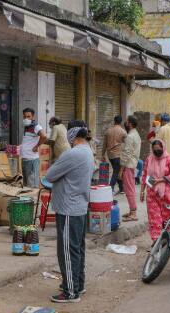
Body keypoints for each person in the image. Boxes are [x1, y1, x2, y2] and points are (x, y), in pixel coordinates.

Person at [45, 120, 94, 303]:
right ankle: (78, 284)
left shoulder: (73, 154)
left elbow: (50, 175)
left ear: (72, 134)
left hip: (68, 207)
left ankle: (70, 291)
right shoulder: (88, 151)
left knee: (66, 250)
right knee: (77, 249)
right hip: (79, 206)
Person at [140, 140, 170, 241]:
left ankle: (167, 241)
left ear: (163, 148)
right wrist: (142, 191)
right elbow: (144, 175)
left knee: (166, 219)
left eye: (159, 149)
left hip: (166, 193)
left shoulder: (169, 159)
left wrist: (161, 179)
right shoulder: (149, 159)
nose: (157, 151)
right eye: (155, 150)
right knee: (154, 220)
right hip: (151, 193)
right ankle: (156, 242)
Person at [119, 115, 141, 222]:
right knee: (130, 188)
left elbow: (126, 154)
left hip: (128, 165)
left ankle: (133, 213)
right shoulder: (136, 134)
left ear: (130, 124)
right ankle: (132, 210)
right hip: (132, 164)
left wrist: (121, 169)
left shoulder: (130, 136)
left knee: (129, 189)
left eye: (127, 122)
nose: (125, 123)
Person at [20, 108, 47, 188]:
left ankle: (34, 199)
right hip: (25, 159)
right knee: (27, 184)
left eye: (28, 116)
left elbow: (44, 136)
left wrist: (37, 146)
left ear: (33, 117)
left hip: (32, 160)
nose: (26, 119)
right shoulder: (27, 126)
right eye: (24, 117)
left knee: (32, 185)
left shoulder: (36, 126)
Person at [102, 115, 127, 194]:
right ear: (121, 122)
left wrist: (103, 154)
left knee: (118, 171)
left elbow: (104, 144)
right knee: (117, 171)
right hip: (118, 155)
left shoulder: (108, 131)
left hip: (110, 155)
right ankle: (111, 187)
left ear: (114, 121)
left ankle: (121, 188)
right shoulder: (123, 132)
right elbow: (127, 143)